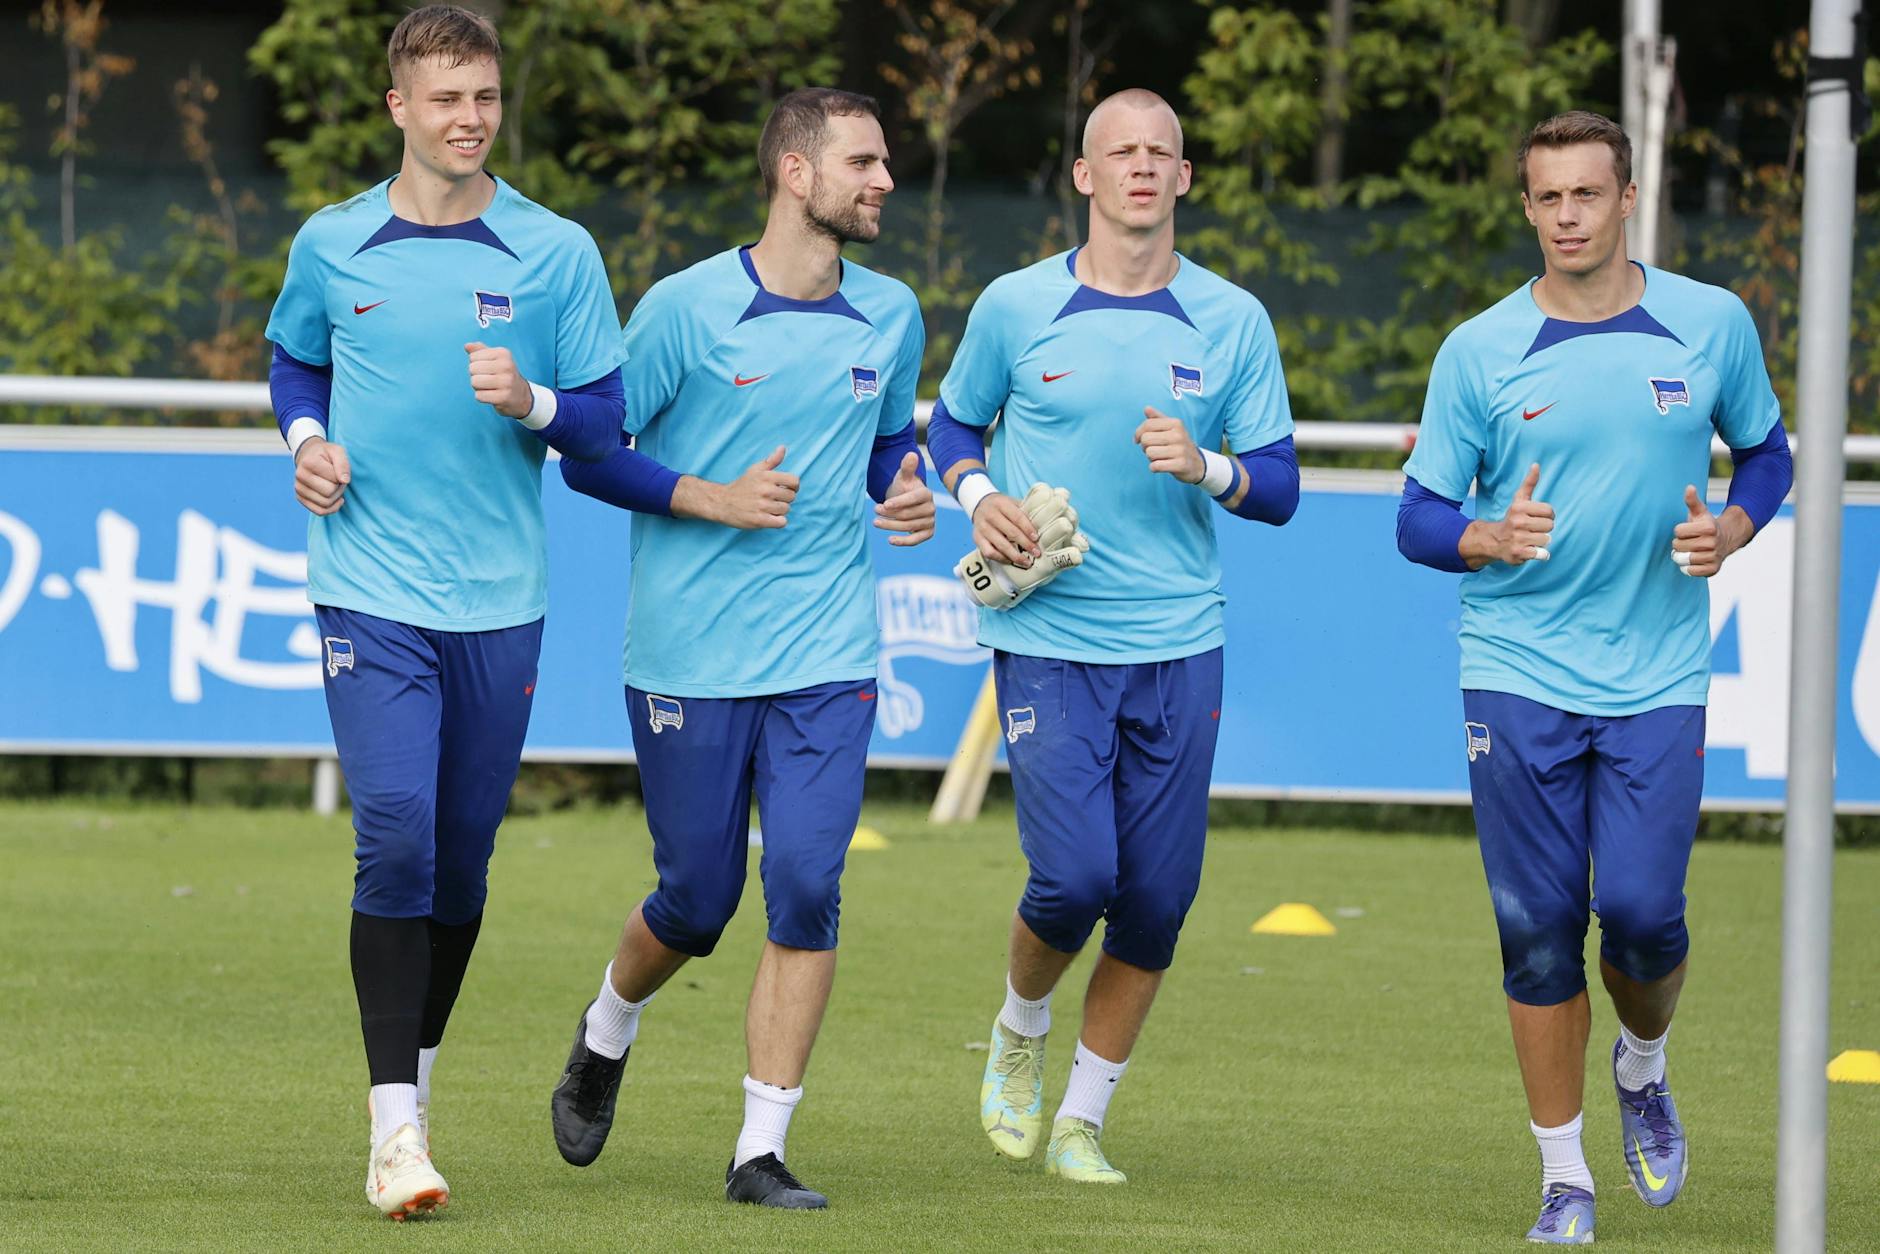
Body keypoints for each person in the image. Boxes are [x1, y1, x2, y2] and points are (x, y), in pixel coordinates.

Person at [1395, 110, 1792, 1245]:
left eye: (1585, 194)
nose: (1565, 216)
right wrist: (1486, 537)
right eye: (1545, 197)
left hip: (1657, 672)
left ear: (1628, 198)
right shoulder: (1478, 349)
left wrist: (1734, 525)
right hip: (1512, 668)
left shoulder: (1706, 324)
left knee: (1638, 919)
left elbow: (1768, 453)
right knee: (1532, 929)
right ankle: (1562, 1179)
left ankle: (1643, 1061)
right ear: (1524, 207)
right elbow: (1418, 520)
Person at [263, 4, 626, 1222]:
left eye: (484, 98)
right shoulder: (332, 242)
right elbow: (293, 361)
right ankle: (392, 1129)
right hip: (366, 586)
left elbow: (603, 423)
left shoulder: (555, 251)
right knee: (399, 833)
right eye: (445, 98)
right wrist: (306, 439)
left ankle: (407, 1101)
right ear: (398, 109)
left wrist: (530, 400)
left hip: (499, 599)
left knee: (460, 871)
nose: (468, 119)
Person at [546, 87, 933, 1210]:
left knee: (807, 885)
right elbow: (589, 455)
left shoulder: (893, 313)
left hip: (827, 654)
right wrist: (709, 498)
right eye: (864, 161)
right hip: (688, 660)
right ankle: (607, 1024)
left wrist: (901, 494)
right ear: (795, 176)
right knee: (698, 903)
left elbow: (882, 450)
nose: (883, 181)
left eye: (886, 161)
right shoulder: (682, 309)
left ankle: (756, 1151)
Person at [926, 88, 1300, 1185]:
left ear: (1183, 178)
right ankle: (1017, 1026)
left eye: (1159, 153)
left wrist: (1208, 466)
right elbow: (952, 421)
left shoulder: (1231, 320)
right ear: (1082, 177)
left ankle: (1082, 1119)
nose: (1140, 168)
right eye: (1117, 152)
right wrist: (975, 489)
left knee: (1156, 898)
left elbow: (1275, 486)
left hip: (1180, 641)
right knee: (1073, 878)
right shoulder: (1013, 304)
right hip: (1049, 633)